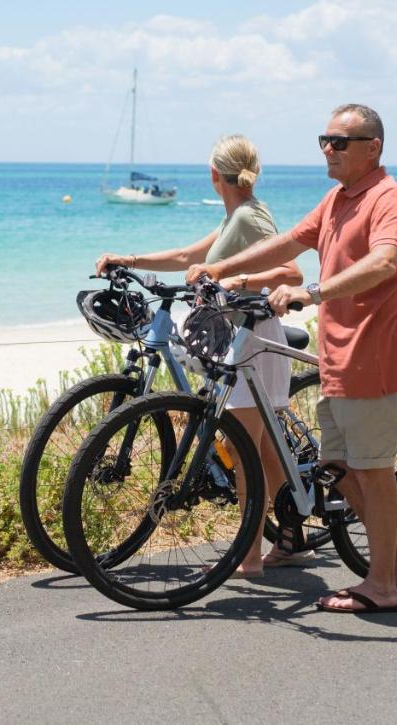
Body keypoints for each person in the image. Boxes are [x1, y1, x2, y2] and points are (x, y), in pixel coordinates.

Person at [187, 103, 397, 613]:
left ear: (373, 148)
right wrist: (221, 269)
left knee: (374, 472)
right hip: (339, 359)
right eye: (324, 140)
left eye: (340, 142)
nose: (328, 149)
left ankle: (383, 585)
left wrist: (312, 294)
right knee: (338, 469)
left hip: (375, 357)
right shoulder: (337, 200)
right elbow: (288, 243)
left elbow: (384, 261)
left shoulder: (390, 199)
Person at [95, 134, 304, 577]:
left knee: (240, 445)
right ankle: (291, 534)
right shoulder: (237, 215)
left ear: (214, 175)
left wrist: (236, 279)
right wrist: (129, 258)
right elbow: (191, 255)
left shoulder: (251, 218)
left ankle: (249, 557)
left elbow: (291, 270)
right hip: (236, 338)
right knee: (263, 450)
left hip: (252, 338)